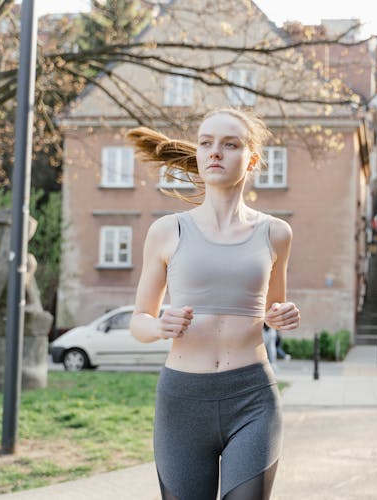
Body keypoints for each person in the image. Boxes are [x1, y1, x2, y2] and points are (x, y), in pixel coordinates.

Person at [128, 108, 300, 500]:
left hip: (253, 396)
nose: (214, 152)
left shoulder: (276, 233)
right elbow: (139, 320)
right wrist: (159, 326)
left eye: (230, 144)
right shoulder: (167, 231)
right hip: (183, 401)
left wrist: (284, 315)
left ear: (252, 159)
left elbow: (274, 310)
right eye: (206, 143)